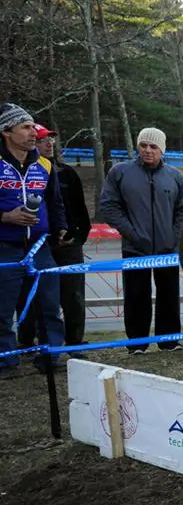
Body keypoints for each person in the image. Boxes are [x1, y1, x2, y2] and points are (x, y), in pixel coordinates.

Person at [99, 127, 183, 354]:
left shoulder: (175, 176)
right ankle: (136, 344)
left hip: (167, 248)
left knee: (169, 294)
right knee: (136, 295)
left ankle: (169, 341)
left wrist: (173, 237)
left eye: (153, 146)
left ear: (162, 149)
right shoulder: (120, 172)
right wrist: (132, 233)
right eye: (143, 145)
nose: (148, 150)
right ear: (138, 147)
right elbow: (109, 206)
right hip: (134, 247)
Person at [0, 104, 67, 379]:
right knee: (3, 309)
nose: (33, 133)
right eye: (25, 127)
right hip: (5, 246)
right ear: (6, 132)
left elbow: (55, 202)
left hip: (40, 247)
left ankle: (51, 355)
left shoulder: (45, 164)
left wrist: (61, 227)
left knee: (50, 305)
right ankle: (6, 361)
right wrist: (5, 216)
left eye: (33, 127)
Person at [15, 124, 91, 350]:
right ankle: (28, 342)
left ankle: (75, 341)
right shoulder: (22, 173)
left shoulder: (67, 173)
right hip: (36, 244)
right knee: (32, 295)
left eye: (51, 139)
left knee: (73, 296)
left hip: (68, 245)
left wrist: (75, 237)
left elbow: (80, 211)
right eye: (42, 140)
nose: (49, 144)